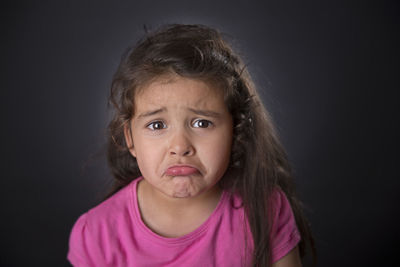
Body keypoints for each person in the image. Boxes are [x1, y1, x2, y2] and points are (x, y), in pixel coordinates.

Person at [67, 24, 315, 267]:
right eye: (156, 125)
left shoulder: (264, 210)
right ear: (130, 139)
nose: (180, 146)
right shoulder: (95, 233)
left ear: (235, 131)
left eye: (201, 123)